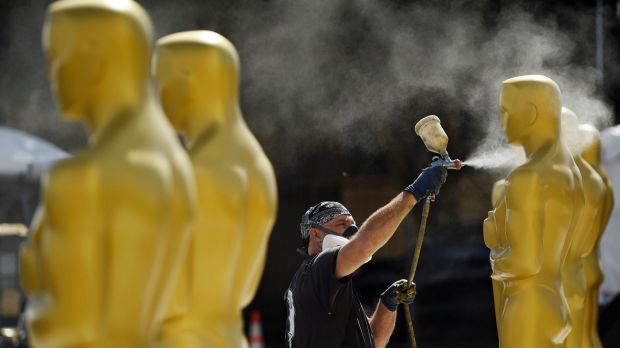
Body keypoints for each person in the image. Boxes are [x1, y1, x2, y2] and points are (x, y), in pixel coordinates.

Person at [284, 165, 447, 347]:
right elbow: (365, 244)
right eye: (341, 223)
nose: (352, 230)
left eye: (353, 223)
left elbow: (373, 342)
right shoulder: (317, 267)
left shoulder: (323, 283)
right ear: (315, 234)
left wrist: (388, 304)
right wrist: (414, 192)